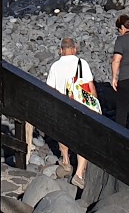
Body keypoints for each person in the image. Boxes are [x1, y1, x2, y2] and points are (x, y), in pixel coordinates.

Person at [42, 37, 99, 186]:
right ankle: (79, 174)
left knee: (63, 135)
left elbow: (50, 89)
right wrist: (95, 105)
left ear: (61, 50)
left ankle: (66, 162)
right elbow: (90, 86)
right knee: (83, 138)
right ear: (74, 49)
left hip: (62, 105)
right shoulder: (82, 63)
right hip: (80, 105)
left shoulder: (55, 66)